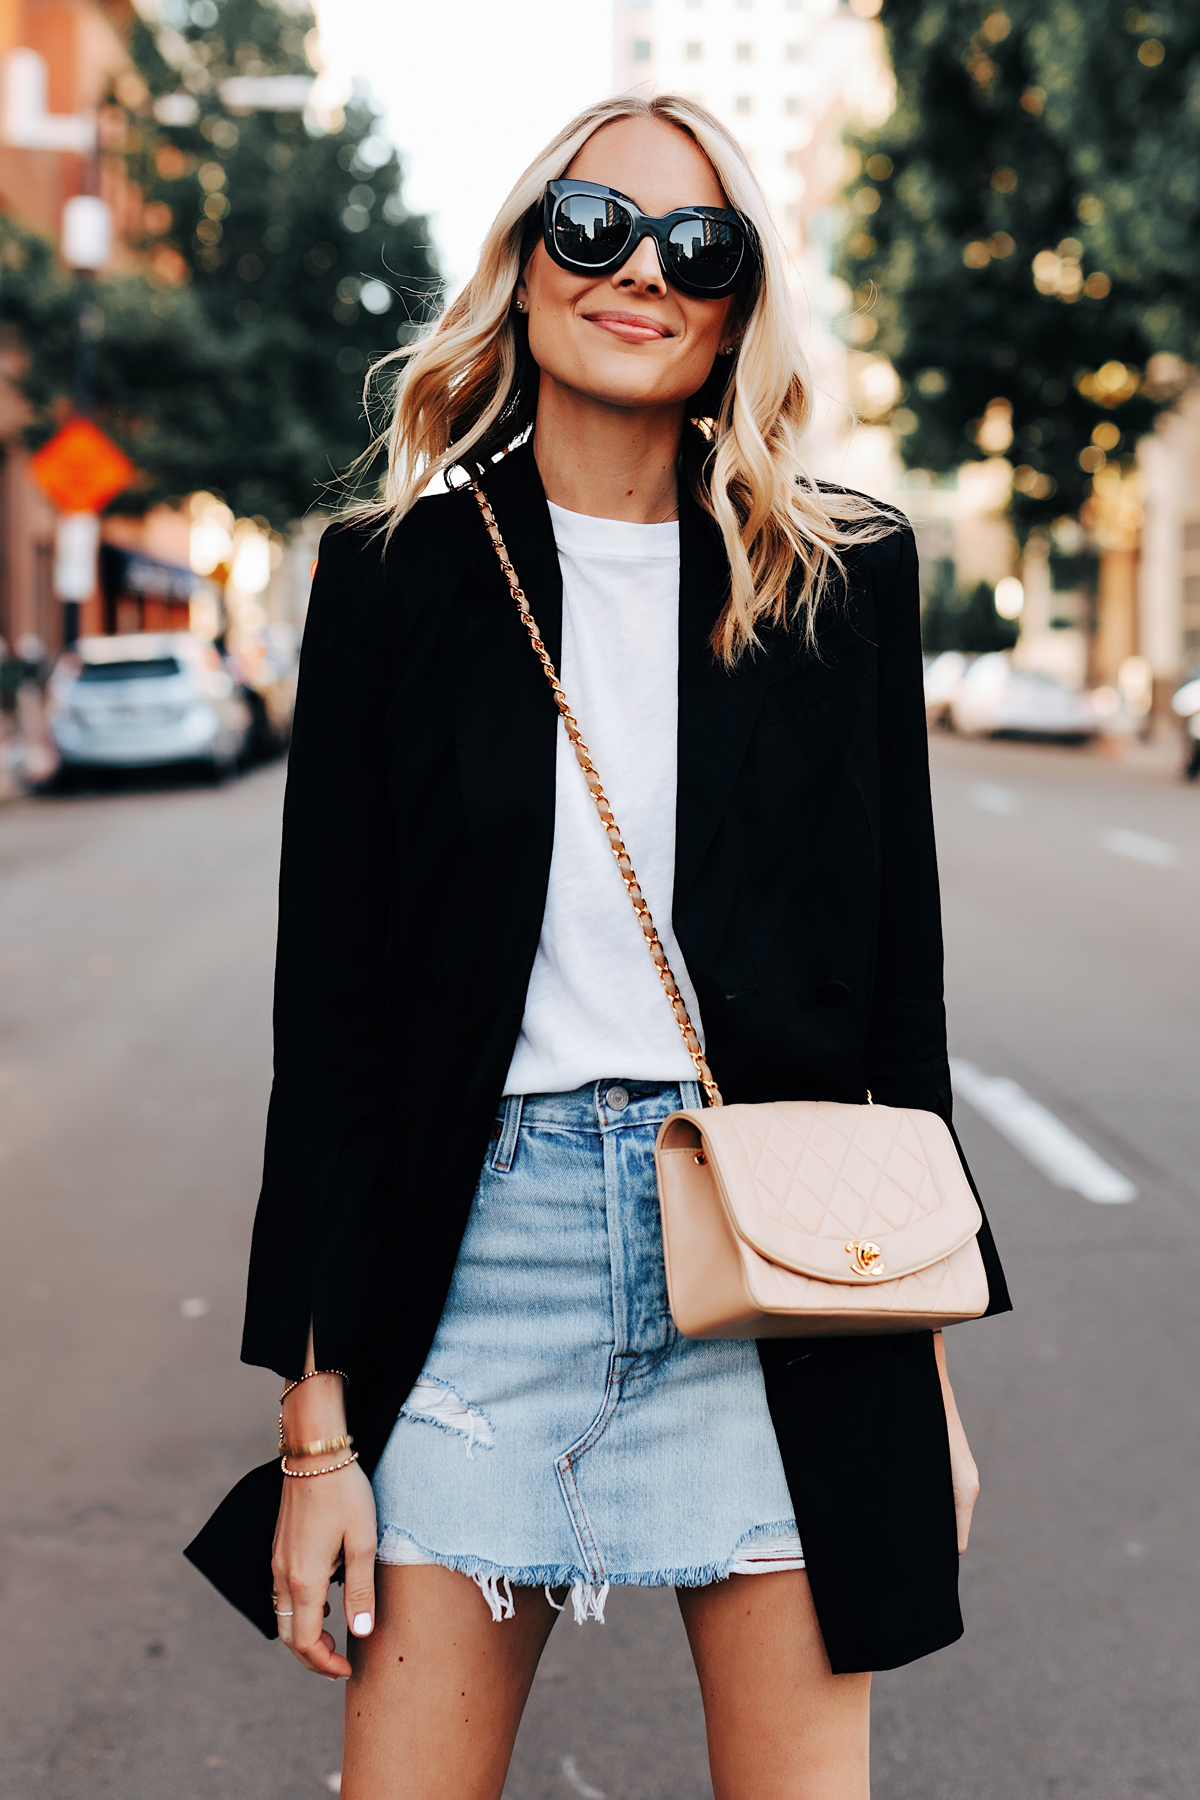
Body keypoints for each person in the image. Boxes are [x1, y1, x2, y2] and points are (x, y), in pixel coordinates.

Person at [238, 94, 1010, 1799]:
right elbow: (337, 1033)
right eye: (593, 227)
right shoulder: (392, 582)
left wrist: (926, 1376)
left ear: (738, 302)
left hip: (773, 1272)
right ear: (525, 267)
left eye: (698, 242)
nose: (640, 270)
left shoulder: (835, 575)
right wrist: (316, 1434)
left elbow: (899, 1004)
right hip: (480, 1268)